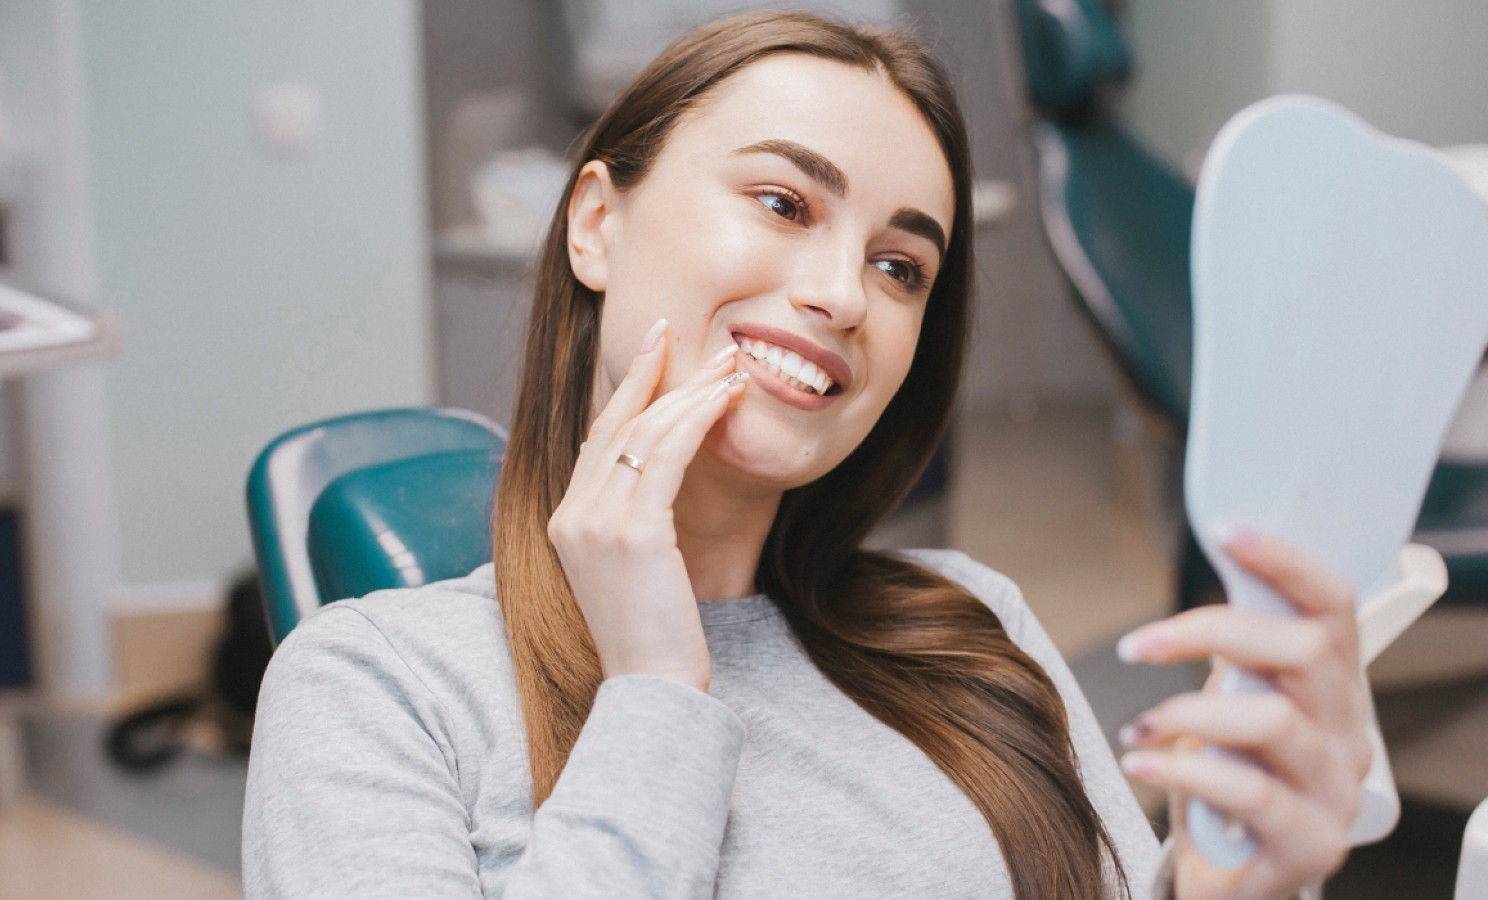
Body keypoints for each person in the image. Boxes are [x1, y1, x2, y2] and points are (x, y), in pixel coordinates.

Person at [243, 10, 1370, 899]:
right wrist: (653, 690)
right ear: (595, 222)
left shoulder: (977, 628)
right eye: (783, 202)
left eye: (900, 268)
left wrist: (1243, 889)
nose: (841, 295)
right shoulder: (380, 686)